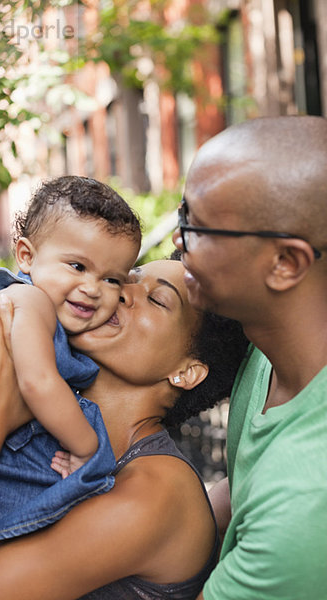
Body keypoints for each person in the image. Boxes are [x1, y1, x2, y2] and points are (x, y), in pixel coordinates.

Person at [0, 258, 248, 599]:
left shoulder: (155, 494)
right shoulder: (46, 424)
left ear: (187, 371)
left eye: (157, 300)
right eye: (127, 277)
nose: (123, 292)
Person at [0, 175, 141, 546]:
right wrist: (87, 447)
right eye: (77, 266)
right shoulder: (31, 300)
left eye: (111, 279)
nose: (92, 288)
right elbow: (37, 382)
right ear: (26, 256)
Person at [172, 115, 327, 599]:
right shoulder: (270, 341)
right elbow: (242, 492)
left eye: (196, 226)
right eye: (182, 215)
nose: (178, 239)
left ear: (286, 263)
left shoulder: (306, 503)